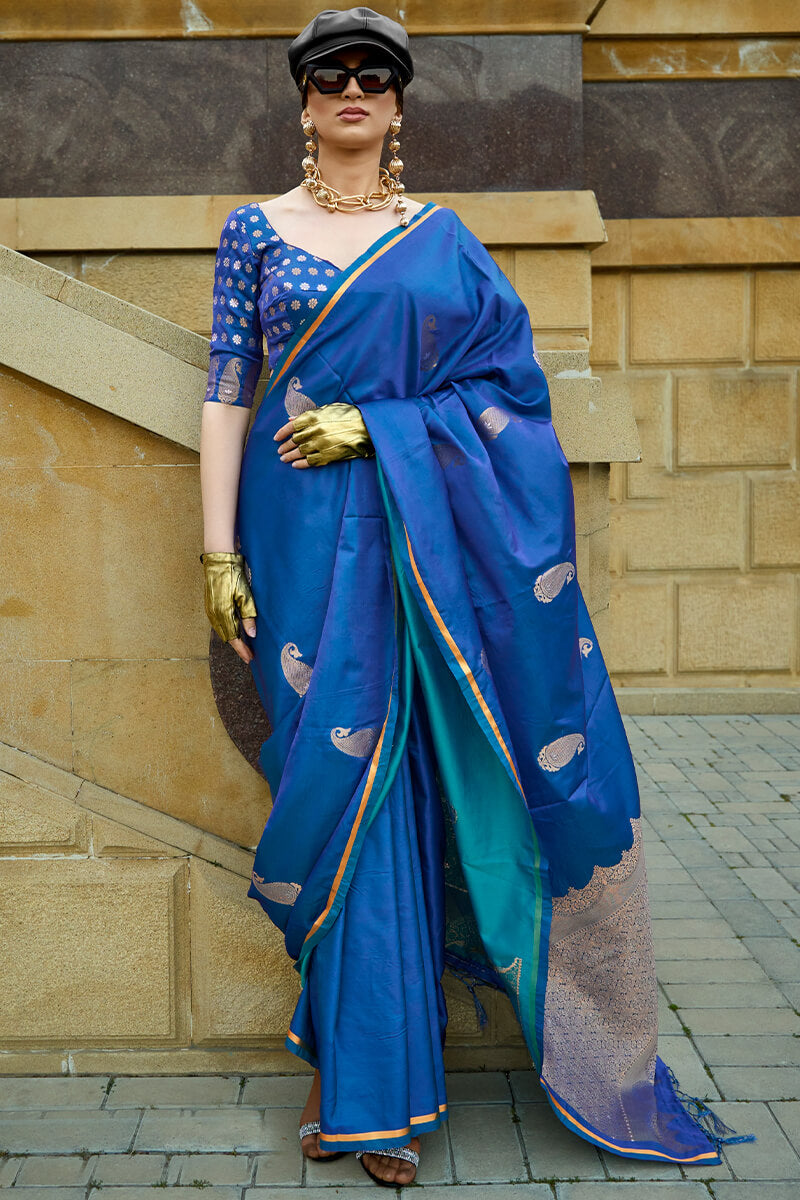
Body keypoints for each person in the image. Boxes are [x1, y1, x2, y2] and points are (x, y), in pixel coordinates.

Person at [199, 7, 751, 1188]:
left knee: (400, 792)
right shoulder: (253, 232)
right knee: (330, 796)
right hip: (298, 548)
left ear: (399, 104)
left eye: (373, 74)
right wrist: (214, 554)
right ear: (303, 99)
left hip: (425, 552)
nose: (351, 88)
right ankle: (352, 1071)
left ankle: (367, 1098)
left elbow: (512, 395)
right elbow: (226, 393)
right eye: (329, 74)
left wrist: (377, 426)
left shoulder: (442, 242)